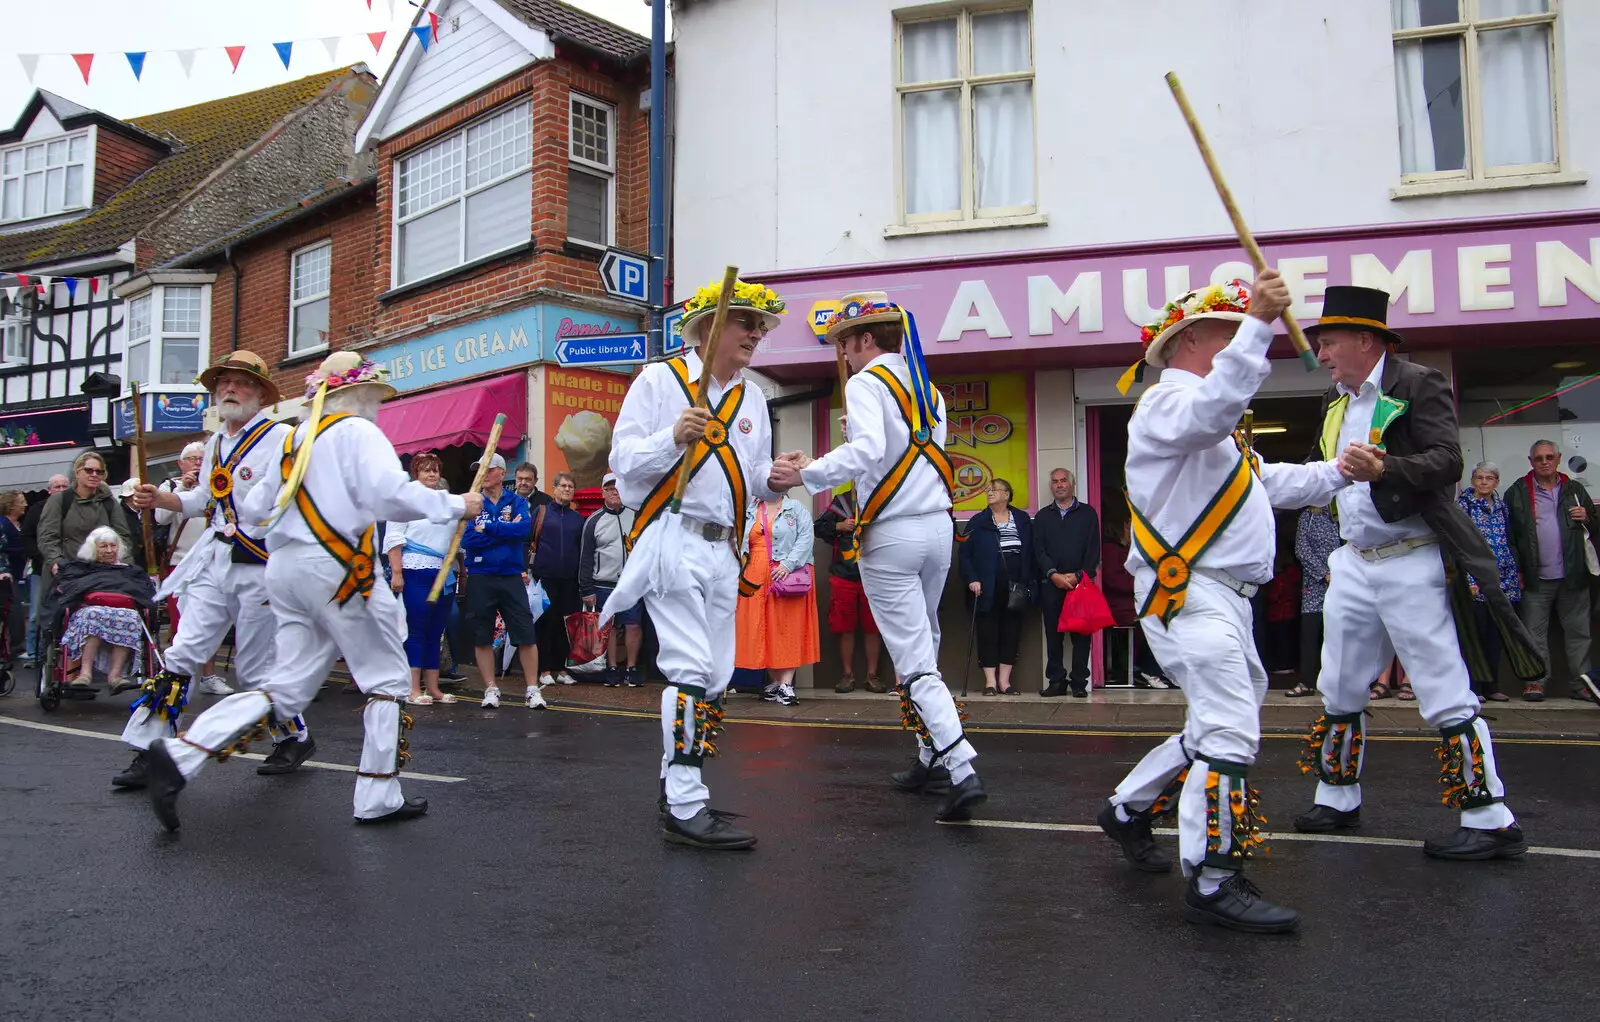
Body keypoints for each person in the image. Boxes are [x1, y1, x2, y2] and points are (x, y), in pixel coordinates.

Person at [1096, 272, 1350, 934]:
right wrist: (1263, 324)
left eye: (1246, 327)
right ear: (1191, 341)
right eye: (1232, 329)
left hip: (1220, 597)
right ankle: (1213, 879)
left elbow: (1272, 481)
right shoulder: (1168, 407)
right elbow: (1214, 408)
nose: (1243, 338)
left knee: (1215, 722)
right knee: (1230, 728)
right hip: (1190, 594)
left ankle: (1127, 809)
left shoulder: (1215, 434)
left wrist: (1343, 471)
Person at [139, 352, 483, 830]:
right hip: (342, 572)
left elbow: (257, 511)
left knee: (287, 687)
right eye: (375, 397)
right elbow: (388, 495)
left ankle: (181, 756)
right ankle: (378, 795)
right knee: (385, 680)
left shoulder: (294, 440)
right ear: (358, 394)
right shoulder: (359, 432)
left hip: (285, 571)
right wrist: (455, 503)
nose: (378, 407)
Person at [1291, 285, 1545, 861]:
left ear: (1365, 339)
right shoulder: (1335, 401)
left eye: (1328, 343)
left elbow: (1447, 462)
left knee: (1441, 687)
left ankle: (1488, 817)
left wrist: (1386, 467)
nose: (1322, 354)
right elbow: (1323, 474)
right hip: (1352, 562)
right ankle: (1336, 797)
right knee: (1338, 685)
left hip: (1409, 557)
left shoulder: (1417, 382)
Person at [774, 289, 986, 823]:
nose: (842, 354)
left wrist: (808, 472)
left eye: (844, 343)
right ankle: (930, 756)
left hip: (891, 534)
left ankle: (961, 766)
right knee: (927, 643)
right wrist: (847, 448)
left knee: (913, 657)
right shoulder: (927, 388)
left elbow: (868, 454)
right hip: (938, 528)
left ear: (867, 339)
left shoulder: (868, 382)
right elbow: (900, 453)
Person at [603, 275, 785, 851]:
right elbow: (621, 460)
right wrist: (671, 437)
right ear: (707, 328)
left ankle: (677, 786)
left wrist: (779, 475)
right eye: (746, 322)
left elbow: (753, 475)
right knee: (687, 667)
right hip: (670, 535)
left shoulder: (753, 396)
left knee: (715, 674)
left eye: (760, 326)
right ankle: (685, 803)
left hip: (723, 547)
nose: (757, 333)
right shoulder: (659, 380)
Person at [117, 351, 314, 791]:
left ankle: (294, 735)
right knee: (183, 652)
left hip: (261, 564)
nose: (229, 389)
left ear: (261, 393)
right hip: (215, 556)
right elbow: (203, 500)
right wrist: (160, 499)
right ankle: (148, 750)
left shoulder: (284, 437)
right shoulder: (215, 444)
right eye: (223, 382)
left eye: (241, 382)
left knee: (256, 668)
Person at [1504, 440, 1599, 703]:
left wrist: (1587, 517)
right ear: (1530, 461)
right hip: (1535, 577)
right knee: (1534, 633)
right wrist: (1518, 571)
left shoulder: (1575, 489)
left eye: (1549, 457)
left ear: (1558, 459)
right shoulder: (1517, 492)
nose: (1544, 462)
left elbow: (1594, 526)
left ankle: (1582, 684)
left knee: (1579, 632)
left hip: (1573, 575)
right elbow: (1510, 536)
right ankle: (1536, 682)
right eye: (1538, 458)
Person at [461, 453, 545, 709]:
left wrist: (487, 528)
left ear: (501, 472)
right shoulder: (473, 502)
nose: (483, 474)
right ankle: (491, 688)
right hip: (480, 575)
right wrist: (502, 531)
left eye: (488, 469)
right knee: (482, 635)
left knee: (525, 631)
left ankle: (532, 689)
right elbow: (467, 540)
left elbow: (522, 531)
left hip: (510, 575)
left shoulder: (516, 501)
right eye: (479, 470)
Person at [152, 442, 230, 697]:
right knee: (182, 623)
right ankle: (176, 677)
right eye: (192, 458)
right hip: (181, 564)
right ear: (181, 463)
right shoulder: (171, 486)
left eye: (201, 458)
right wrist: (183, 490)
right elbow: (160, 519)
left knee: (211, 620)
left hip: (213, 561)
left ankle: (208, 675)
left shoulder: (218, 483)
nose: (197, 463)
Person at [384, 452, 459, 705]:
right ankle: (414, 688)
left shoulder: (445, 501)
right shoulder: (405, 501)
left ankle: (434, 688)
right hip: (415, 571)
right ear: (416, 472)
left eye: (435, 470)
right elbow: (394, 538)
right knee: (417, 630)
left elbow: (456, 537)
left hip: (443, 573)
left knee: (436, 631)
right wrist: (397, 573)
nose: (432, 474)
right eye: (426, 470)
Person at [737, 493, 820, 705]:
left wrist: (788, 564)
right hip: (754, 574)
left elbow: (806, 538)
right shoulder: (749, 509)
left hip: (785, 574)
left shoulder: (796, 508)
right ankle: (775, 682)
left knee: (787, 626)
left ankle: (786, 683)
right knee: (761, 627)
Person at [960, 479, 1033, 696]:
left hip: (1015, 585)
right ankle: (990, 682)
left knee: (1011, 632)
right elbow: (964, 554)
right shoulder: (978, 521)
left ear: (1007, 494)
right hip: (986, 586)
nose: (990, 493)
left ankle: (1005, 682)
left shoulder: (1021, 519)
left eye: (994, 490)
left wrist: (1028, 580)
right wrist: (972, 578)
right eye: (988, 490)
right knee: (987, 632)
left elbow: (1031, 550)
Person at [57, 527, 153, 690]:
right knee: (94, 615)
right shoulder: (80, 570)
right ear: (94, 549)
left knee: (130, 617)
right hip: (89, 610)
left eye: (113, 546)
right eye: (103, 546)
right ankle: (85, 674)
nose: (109, 550)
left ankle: (115, 676)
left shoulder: (130, 571)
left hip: (123, 611)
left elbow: (145, 594)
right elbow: (67, 594)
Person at [1033, 467, 1100, 697]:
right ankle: (1056, 682)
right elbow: (1038, 550)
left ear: (1071, 485)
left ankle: (1079, 683)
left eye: (1063, 481)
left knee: (1081, 636)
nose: (1059, 484)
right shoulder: (1042, 516)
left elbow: (1093, 549)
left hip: (1080, 584)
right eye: (1055, 481)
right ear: (1051, 486)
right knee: (1053, 636)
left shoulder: (1088, 514)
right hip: (1051, 583)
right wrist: (1054, 574)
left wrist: (1079, 574)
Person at [1457, 462, 1519, 702]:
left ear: (1496, 482)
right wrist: (1469, 579)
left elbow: (1509, 541)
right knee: (1476, 635)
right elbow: (1461, 544)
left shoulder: (1502, 507)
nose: (1484, 482)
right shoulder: (1464, 505)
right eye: (1479, 478)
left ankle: (1492, 685)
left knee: (1496, 635)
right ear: (1472, 480)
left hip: (1503, 580)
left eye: (1489, 478)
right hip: (1475, 580)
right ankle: (1475, 687)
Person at [814, 491, 885, 693]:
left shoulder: (881, 497)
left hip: (875, 577)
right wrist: (839, 526)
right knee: (844, 628)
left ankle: (872, 676)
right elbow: (819, 527)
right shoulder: (842, 501)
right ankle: (847, 676)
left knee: (874, 628)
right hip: (843, 576)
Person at [578, 472, 642, 688]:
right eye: (610, 488)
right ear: (602, 492)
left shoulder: (635, 517)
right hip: (603, 583)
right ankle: (612, 667)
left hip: (631, 584)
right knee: (610, 627)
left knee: (633, 625)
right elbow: (585, 557)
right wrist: (586, 589)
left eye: (618, 488)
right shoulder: (594, 520)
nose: (615, 492)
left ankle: (632, 669)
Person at [37, 451, 134, 579]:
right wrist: (56, 562)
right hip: (67, 572)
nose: (94, 475)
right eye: (89, 470)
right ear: (77, 472)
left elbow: (123, 538)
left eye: (99, 471)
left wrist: (124, 565)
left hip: (104, 573)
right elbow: (47, 537)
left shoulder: (109, 502)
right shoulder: (59, 500)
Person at [529, 471, 584, 686]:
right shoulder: (541, 512)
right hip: (545, 576)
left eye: (571, 486)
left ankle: (562, 669)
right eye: (563, 486)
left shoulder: (578, 519)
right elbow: (528, 540)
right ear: (554, 489)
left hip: (569, 579)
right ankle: (544, 670)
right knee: (546, 624)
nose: (567, 489)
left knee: (565, 625)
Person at [1101, 519, 1170, 688]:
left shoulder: (1126, 550)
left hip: (1133, 600)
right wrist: (1142, 585)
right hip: (1119, 604)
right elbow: (1114, 580)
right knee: (1155, 619)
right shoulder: (1110, 549)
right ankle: (1148, 668)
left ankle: (1158, 669)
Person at [1286, 505, 1339, 698]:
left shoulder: (1344, 513)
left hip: (1344, 580)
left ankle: (1335, 684)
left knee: (1338, 635)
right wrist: (1324, 574)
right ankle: (1307, 681)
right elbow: (1302, 549)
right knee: (1310, 632)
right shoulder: (1308, 517)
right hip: (1315, 583)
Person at [20, 473, 69, 663]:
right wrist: (43, 557)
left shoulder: (75, 508)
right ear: (49, 490)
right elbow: (26, 536)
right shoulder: (38, 509)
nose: (61, 490)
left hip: (71, 568)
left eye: (65, 486)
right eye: (57, 487)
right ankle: (34, 652)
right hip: (43, 568)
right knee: (37, 613)